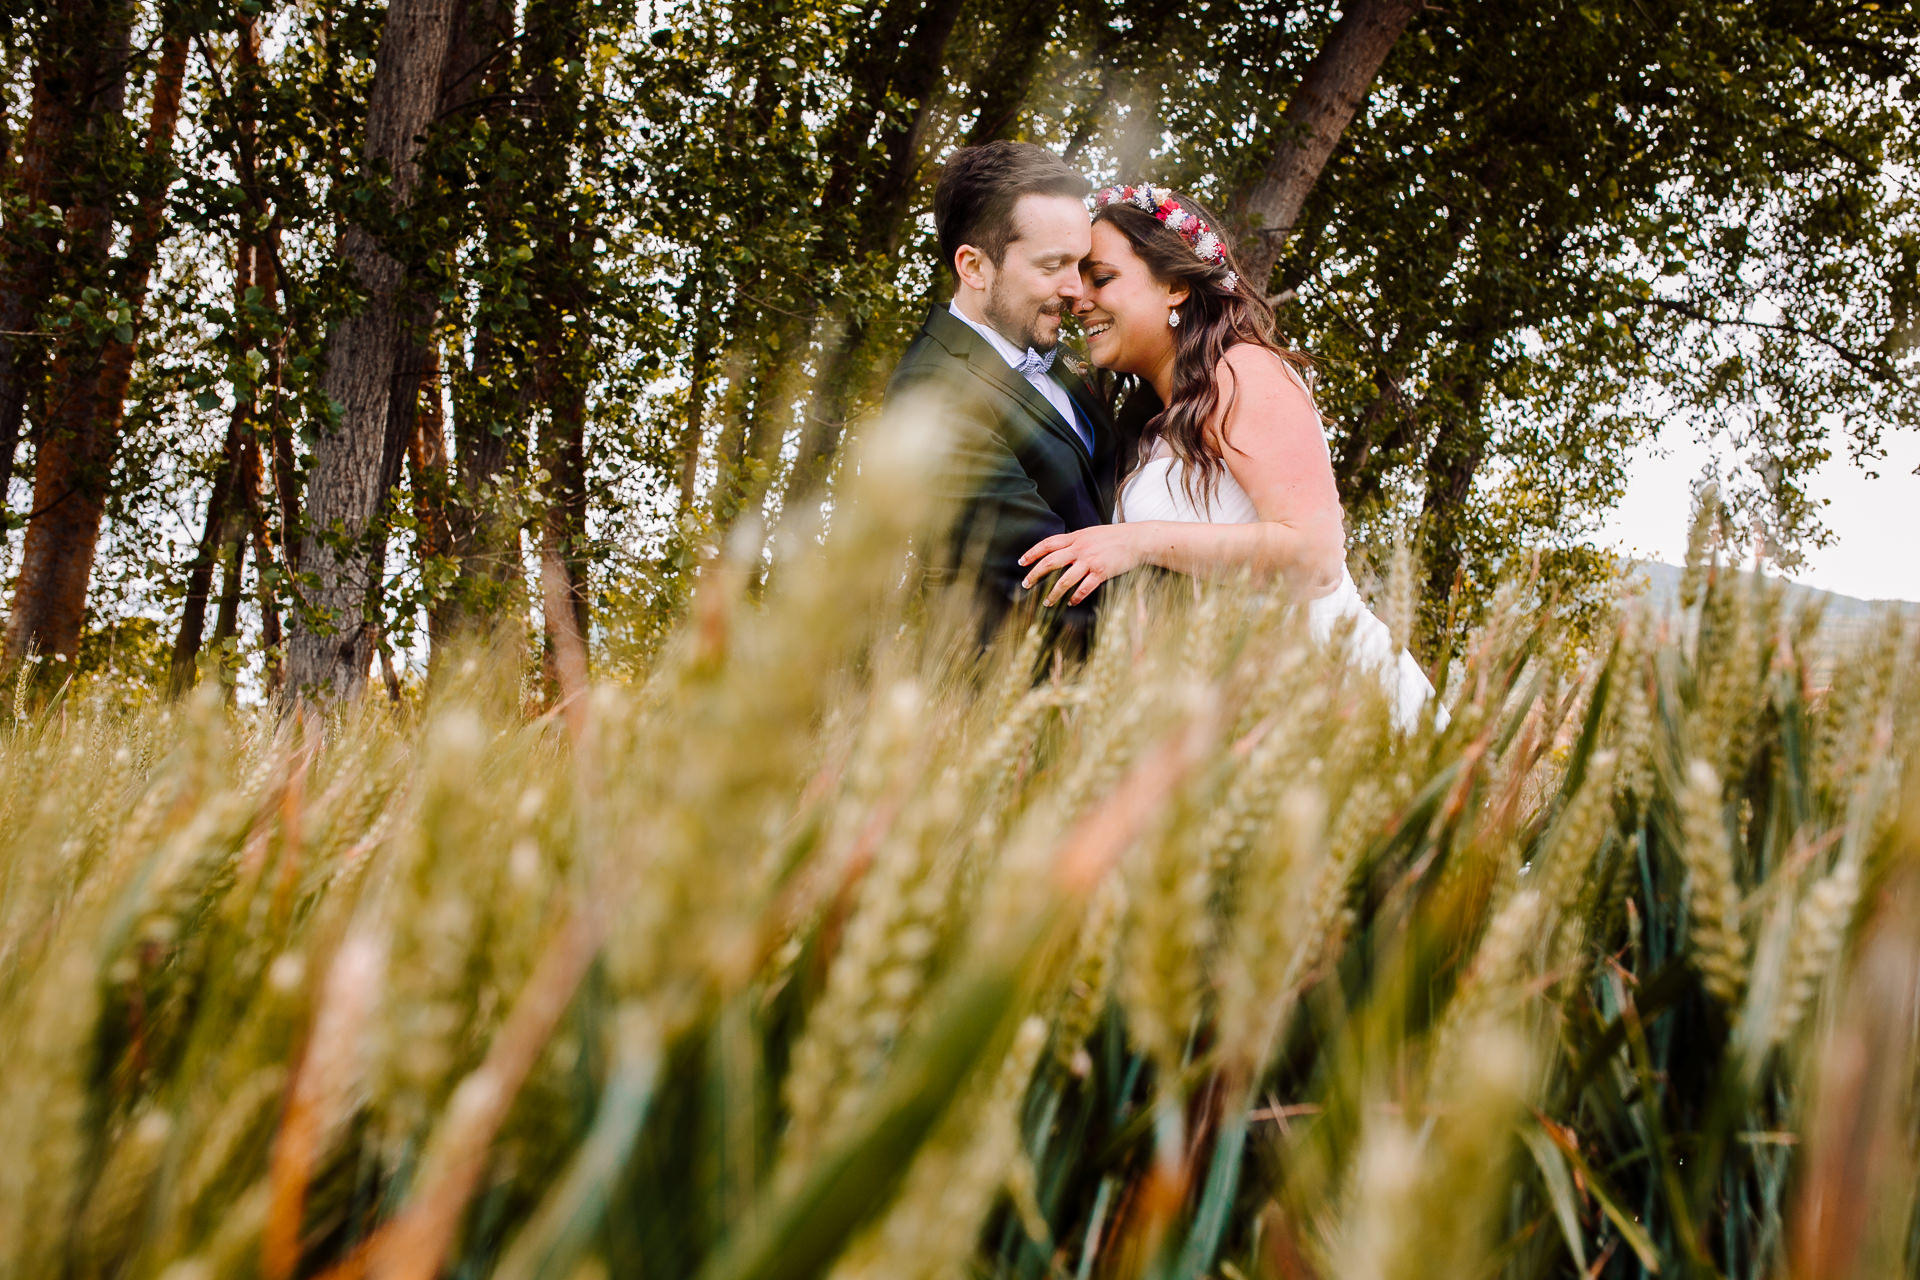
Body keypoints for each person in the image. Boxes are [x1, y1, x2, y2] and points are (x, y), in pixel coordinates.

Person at [1016, 183, 1441, 729]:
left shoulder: (1242, 372)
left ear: (1173, 285)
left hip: (1323, 691)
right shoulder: (1150, 425)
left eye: (1102, 278)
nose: (1078, 300)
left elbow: (1314, 555)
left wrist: (1135, 540)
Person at [885, 142, 1123, 651]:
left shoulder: (1051, 348)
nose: (1078, 291)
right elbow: (1038, 584)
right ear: (974, 267)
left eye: (1080, 264)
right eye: (1052, 265)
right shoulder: (936, 391)